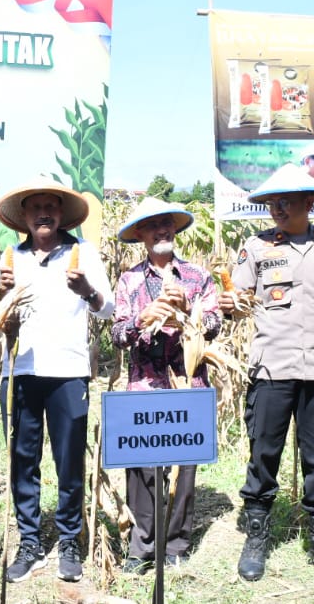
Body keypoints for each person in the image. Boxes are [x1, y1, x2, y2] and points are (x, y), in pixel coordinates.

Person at [219, 164, 314, 581]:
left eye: (286, 201)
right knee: (264, 453)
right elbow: (237, 299)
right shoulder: (256, 247)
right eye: (272, 202)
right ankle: (256, 538)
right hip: (272, 367)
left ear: (308, 202)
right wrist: (231, 305)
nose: (277, 208)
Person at [0, 178, 114, 584]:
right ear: (24, 215)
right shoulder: (10, 257)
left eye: (51, 206)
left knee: (69, 461)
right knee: (22, 461)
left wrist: (87, 290)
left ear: (61, 213)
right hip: (20, 370)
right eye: (35, 207)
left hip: (68, 371)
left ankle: (69, 540)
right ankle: (29, 542)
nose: (43, 213)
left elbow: (107, 309)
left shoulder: (85, 253)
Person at [110, 197, 222, 574]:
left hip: (188, 385)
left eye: (167, 223)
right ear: (140, 234)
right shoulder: (129, 280)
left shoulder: (197, 277)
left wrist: (189, 311)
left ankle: (175, 545)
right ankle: (141, 546)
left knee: (183, 470)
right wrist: (142, 319)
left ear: (174, 229)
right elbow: (117, 335)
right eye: (152, 225)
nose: (162, 230)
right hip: (144, 386)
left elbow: (214, 325)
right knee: (141, 470)